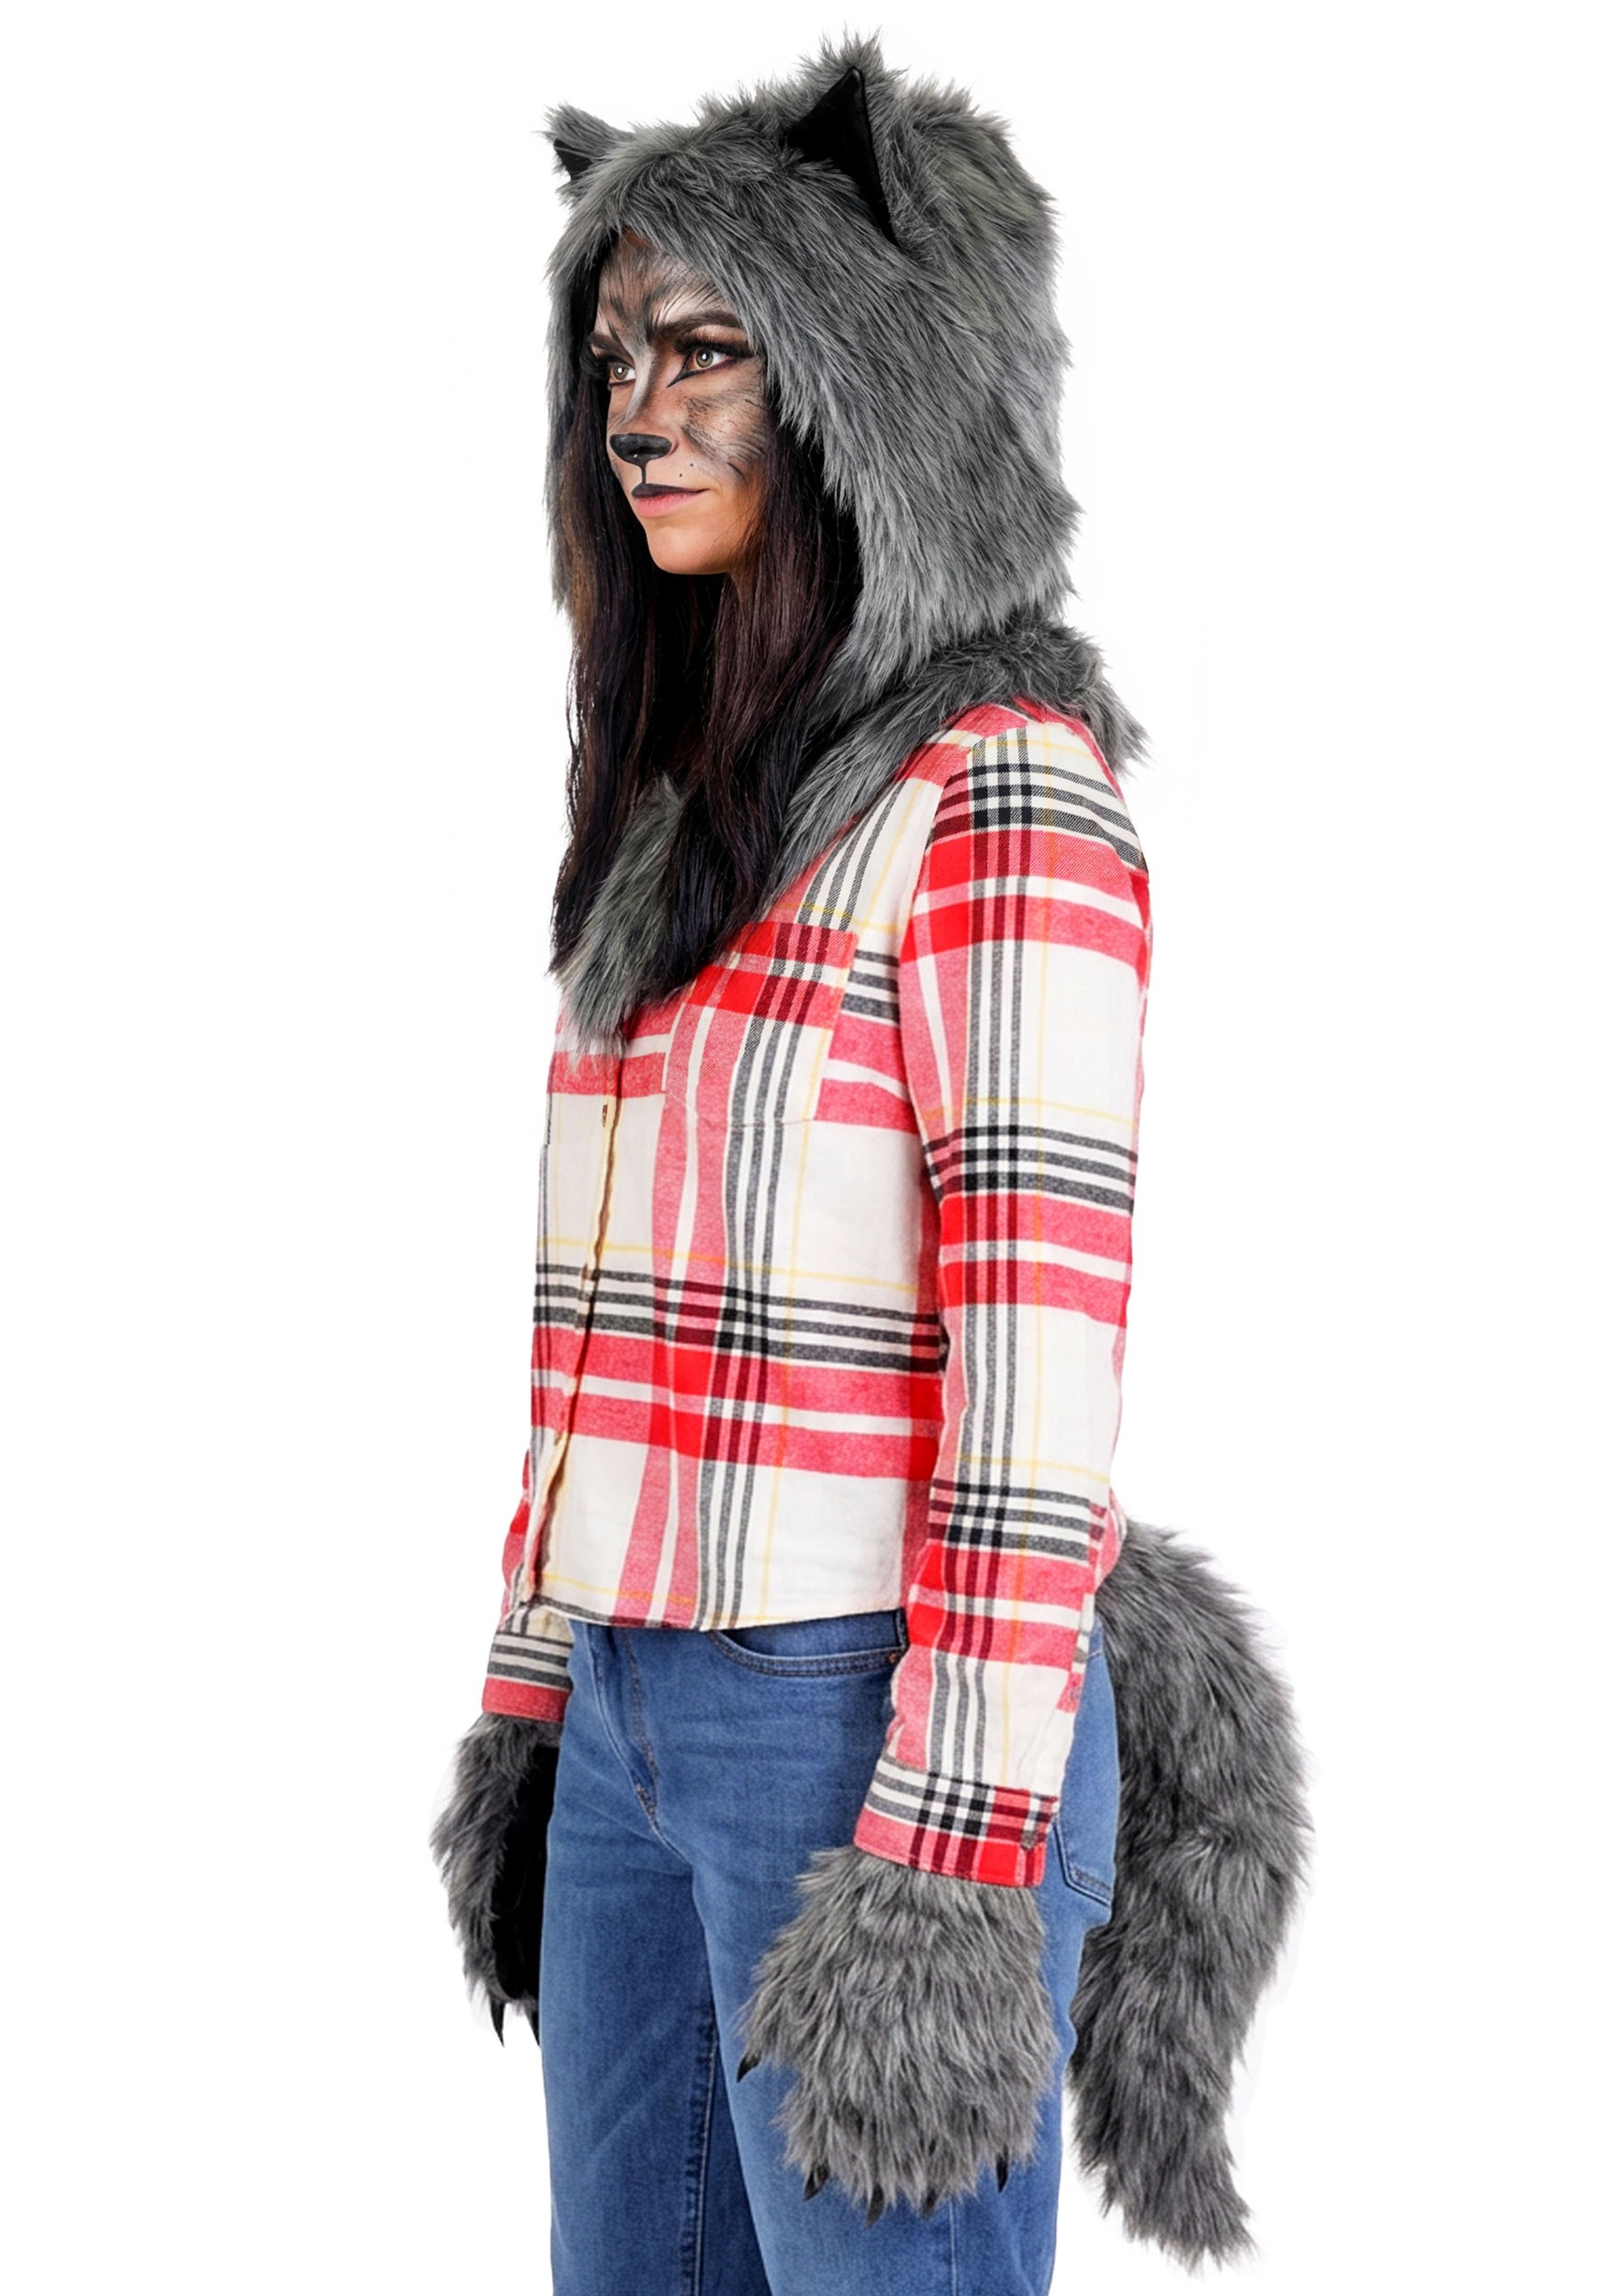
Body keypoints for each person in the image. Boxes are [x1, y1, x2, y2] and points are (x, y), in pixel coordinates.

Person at [432, 35, 1311, 2296]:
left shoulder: (997, 792)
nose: (638, 414)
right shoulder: (682, 824)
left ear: (869, 387)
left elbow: (1033, 1384)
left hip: (865, 1732)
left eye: (706, 350)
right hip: (628, 1708)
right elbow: (593, 1339)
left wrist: (945, 1862)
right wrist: (532, 1694)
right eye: (613, 356)